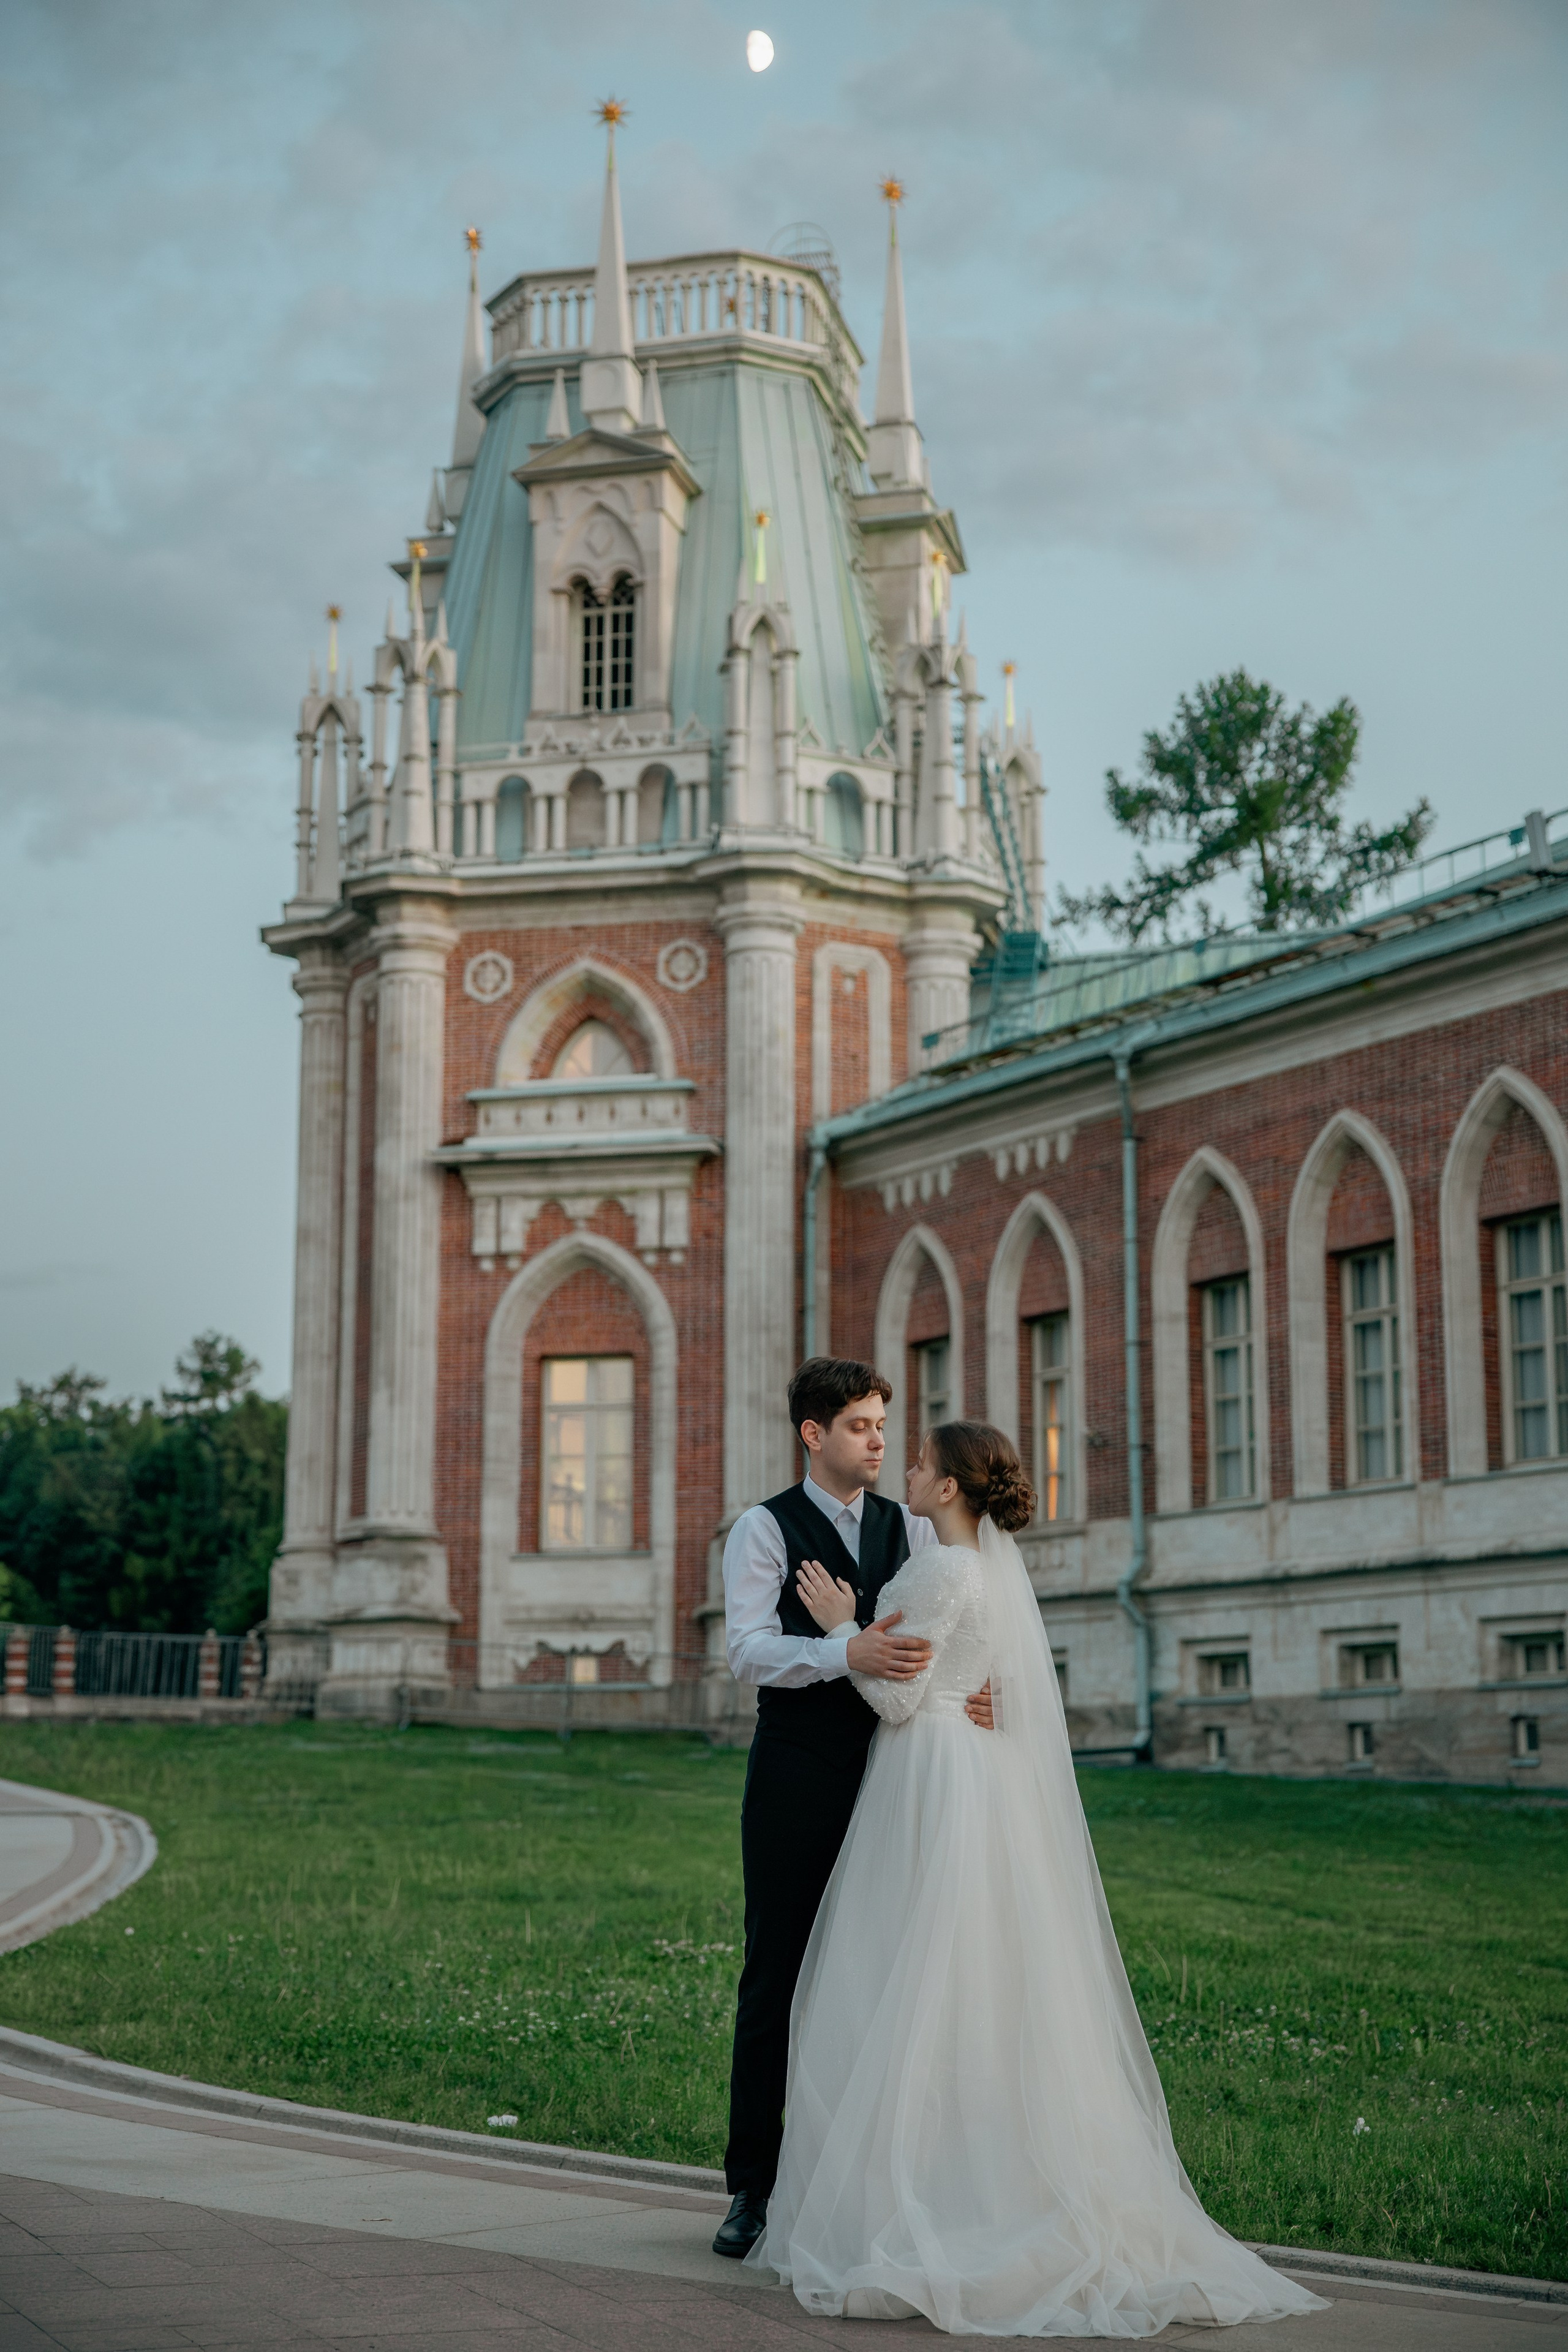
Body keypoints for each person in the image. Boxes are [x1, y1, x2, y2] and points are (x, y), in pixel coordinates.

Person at [751, 1419, 1331, 2338]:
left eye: (920, 1462)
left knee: (913, 1978)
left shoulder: (944, 1570)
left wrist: (842, 1628)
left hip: (927, 1771)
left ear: (949, 1487)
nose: (907, 1470)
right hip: (963, 1767)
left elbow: (901, 1695)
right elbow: (979, 1674)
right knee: (965, 1980)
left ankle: (926, 2191)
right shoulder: (974, 1567)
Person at [712, 1359, 996, 2261]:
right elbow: (748, 1650)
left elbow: (944, 1628)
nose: (878, 1441)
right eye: (861, 1426)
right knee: (776, 1978)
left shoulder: (910, 1527)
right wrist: (847, 1653)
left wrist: (976, 1686)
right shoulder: (763, 1528)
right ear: (814, 1434)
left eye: (881, 1426)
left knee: (883, 1977)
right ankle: (754, 2187)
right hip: (797, 1778)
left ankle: (857, 2186)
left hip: (895, 1779)